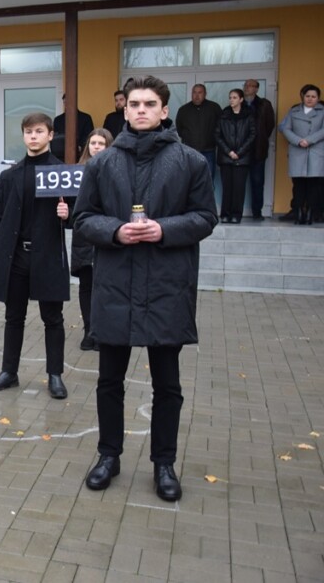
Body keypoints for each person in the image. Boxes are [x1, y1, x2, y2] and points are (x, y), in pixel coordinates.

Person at [74, 75, 217, 502]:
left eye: (149, 104)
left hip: (166, 287)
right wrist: (116, 231)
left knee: (167, 385)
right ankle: (108, 456)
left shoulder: (191, 162)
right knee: (109, 381)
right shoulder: (101, 163)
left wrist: (164, 229)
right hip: (115, 286)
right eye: (134, 103)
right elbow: (83, 219)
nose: (140, 110)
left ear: (164, 110)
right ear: (124, 109)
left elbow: (206, 217)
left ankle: (164, 464)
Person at [0, 112, 70, 400]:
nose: (33, 136)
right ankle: (9, 372)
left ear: (50, 135)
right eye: (28, 132)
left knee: (52, 318)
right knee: (13, 317)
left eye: (39, 131)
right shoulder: (10, 175)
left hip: (48, 256)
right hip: (16, 257)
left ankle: (55, 375)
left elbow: (79, 215)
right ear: (23, 136)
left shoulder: (61, 172)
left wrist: (67, 214)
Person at [70, 128, 114, 351]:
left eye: (101, 143)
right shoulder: (76, 172)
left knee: (105, 287)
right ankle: (89, 331)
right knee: (86, 286)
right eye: (93, 143)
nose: (96, 147)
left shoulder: (116, 170)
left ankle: (102, 332)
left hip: (106, 235)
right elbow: (72, 207)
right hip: (84, 237)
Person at [278, 84, 324, 225]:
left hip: (315, 151)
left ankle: (310, 213)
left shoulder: (323, 111)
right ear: (302, 97)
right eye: (307, 96)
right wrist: (298, 141)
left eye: (313, 96)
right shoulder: (294, 111)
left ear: (318, 98)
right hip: (297, 151)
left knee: (313, 185)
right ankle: (298, 213)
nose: (310, 99)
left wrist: (309, 140)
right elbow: (285, 128)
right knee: (298, 185)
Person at [216, 89, 256, 224]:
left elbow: (252, 135)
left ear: (241, 99)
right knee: (227, 188)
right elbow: (217, 135)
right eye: (230, 97)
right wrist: (229, 152)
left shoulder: (248, 116)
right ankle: (225, 214)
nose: (231, 100)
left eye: (234, 97)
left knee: (239, 188)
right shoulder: (224, 115)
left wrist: (239, 152)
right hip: (226, 157)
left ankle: (236, 215)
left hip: (242, 158)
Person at [242, 79, 275, 220]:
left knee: (257, 181)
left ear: (256, 89)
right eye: (246, 85)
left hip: (258, 149)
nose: (247, 88)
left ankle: (257, 212)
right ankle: (237, 211)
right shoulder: (239, 103)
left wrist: (260, 138)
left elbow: (269, 125)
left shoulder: (264, 104)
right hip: (240, 151)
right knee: (239, 183)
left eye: (250, 86)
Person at [175, 84, 222, 180]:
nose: (197, 95)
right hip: (190, 151)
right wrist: (187, 138)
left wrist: (214, 139)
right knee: (190, 180)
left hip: (209, 150)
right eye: (194, 92)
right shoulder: (184, 110)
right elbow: (179, 128)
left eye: (200, 92)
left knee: (208, 180)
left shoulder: (214, 108)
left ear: (205, 94)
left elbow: (221, 126)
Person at [53, 96, 95, 161]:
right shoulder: (58, 120)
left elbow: (89, 135)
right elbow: (56, 137)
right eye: (65, 102)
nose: (67, 104)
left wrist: (80, 146)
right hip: (61, 155)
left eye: (69, 102)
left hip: (82, 154)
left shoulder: (86, 118)